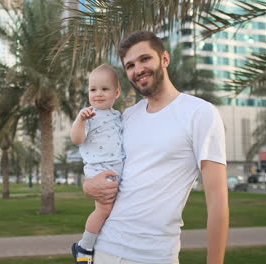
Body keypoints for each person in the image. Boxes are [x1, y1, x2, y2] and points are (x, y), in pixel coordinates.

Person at [83, 31, 229, 264]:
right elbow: (104, 163)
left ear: (165, 59)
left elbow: (218, 199)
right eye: (130, 65)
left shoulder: (200, 113)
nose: (137, 69)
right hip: (105, 249)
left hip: (154, 255)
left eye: (144, 59)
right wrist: (89, 186)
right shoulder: (127, 117)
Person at [70, 64, 124, 264]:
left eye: (104, 89)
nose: (98, 94)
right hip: (99, 169)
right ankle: (84, 246)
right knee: (103, 209)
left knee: (111, 210)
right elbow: (76, 139)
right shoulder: (88, 114)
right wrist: (81, 121)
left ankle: (97, 244)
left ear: (116, 92)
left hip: (114, 169)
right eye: (93, 90)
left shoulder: (118, 116)